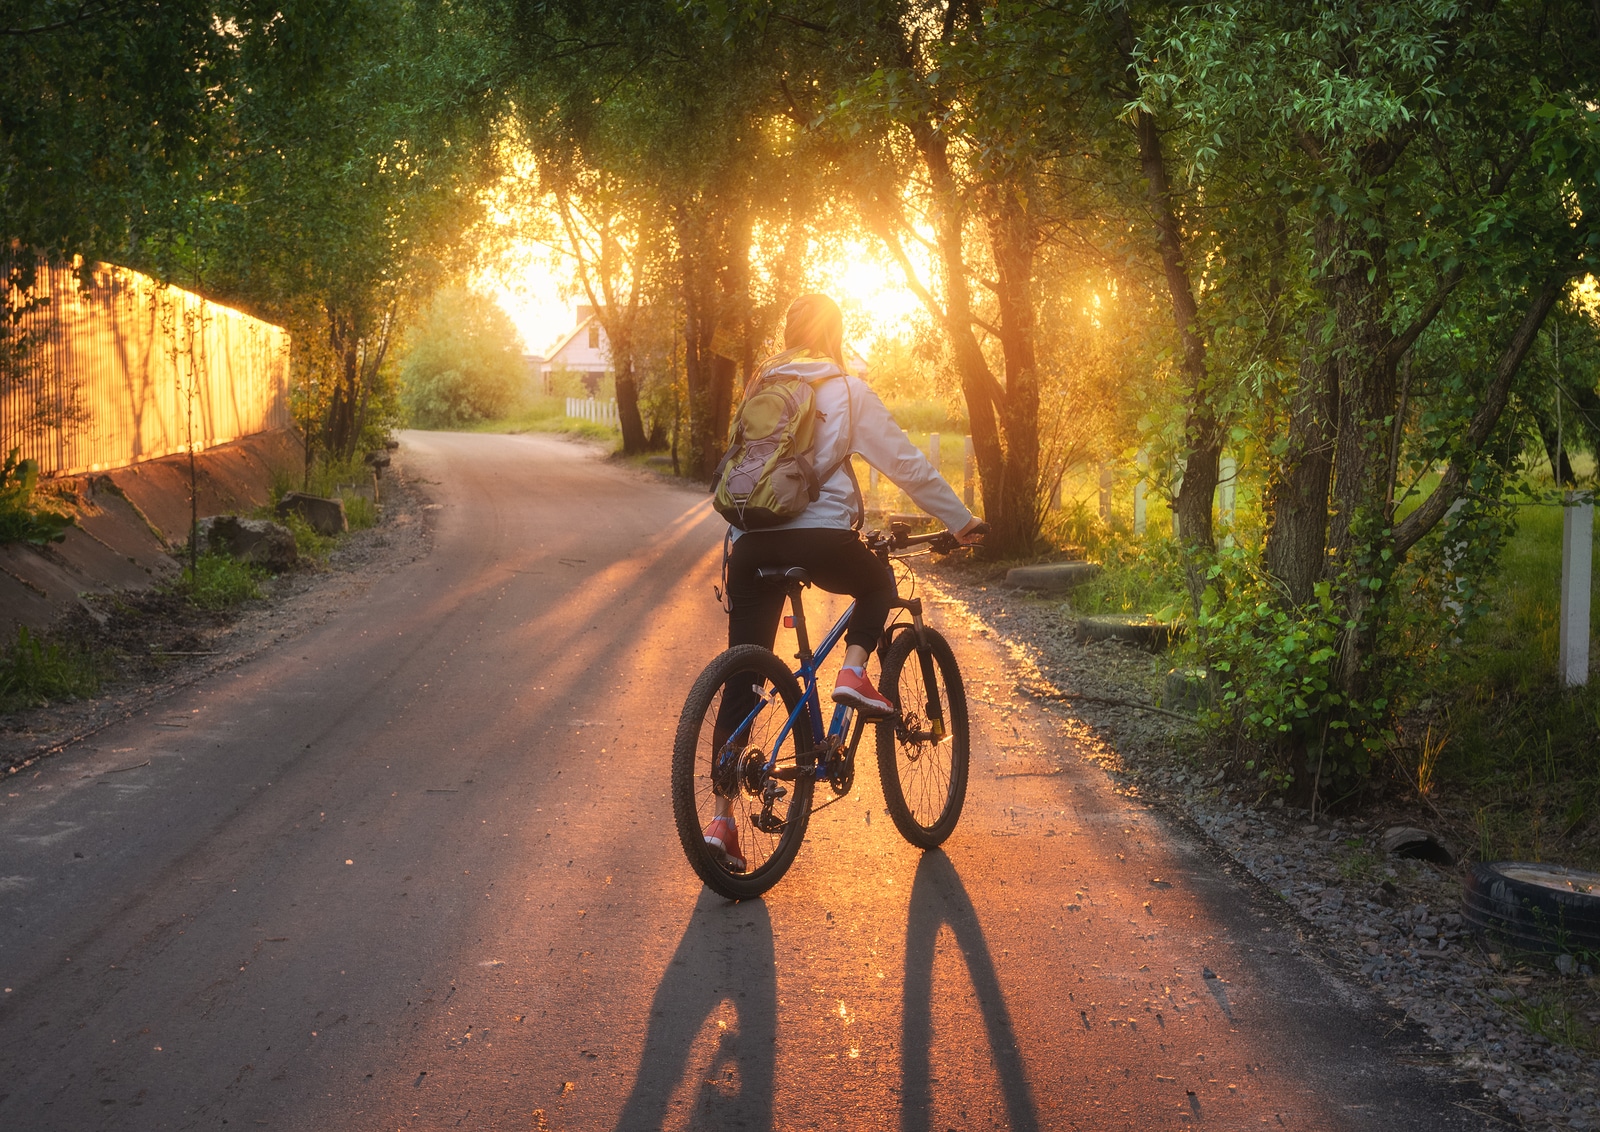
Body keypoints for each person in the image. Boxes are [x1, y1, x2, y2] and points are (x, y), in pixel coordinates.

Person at [703, 293, 985, 871]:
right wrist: (960, 521)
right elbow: (905, 464)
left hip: (751, 542)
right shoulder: (848, 391)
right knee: (878, 583)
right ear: (834, 334)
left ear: (790, 332)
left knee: (746, 671)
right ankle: (854, 671)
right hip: (823, 538)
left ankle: (721, 820)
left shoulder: (762, 389)